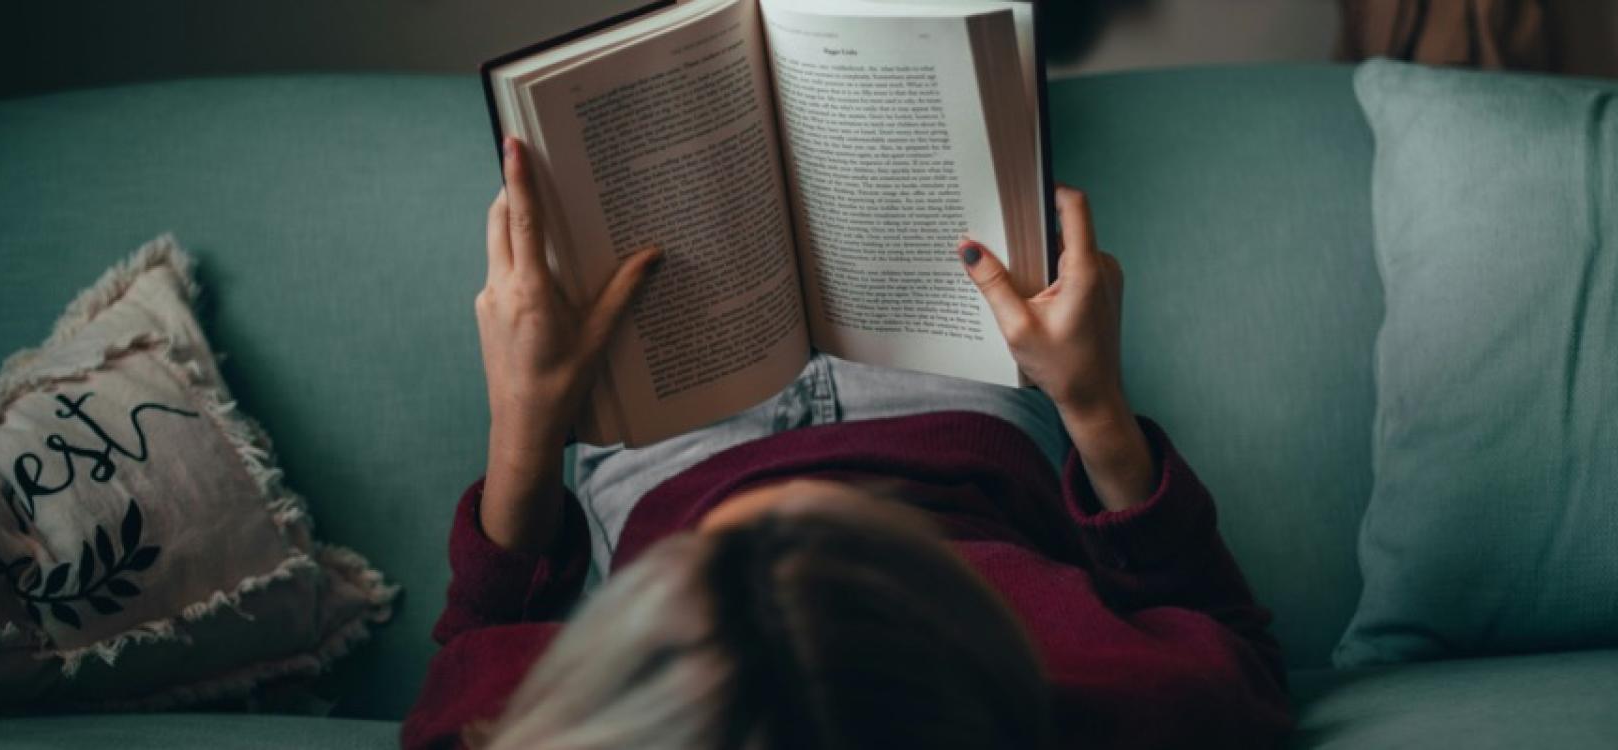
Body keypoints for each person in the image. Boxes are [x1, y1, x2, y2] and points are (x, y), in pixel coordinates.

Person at [400, 138, 1293, 750]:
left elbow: (473, 658)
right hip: (953, 411)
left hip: (670, 449)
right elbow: (1233, 644)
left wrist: (526, 424)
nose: (805, 509)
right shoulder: (1110, 708)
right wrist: (1094, 402)